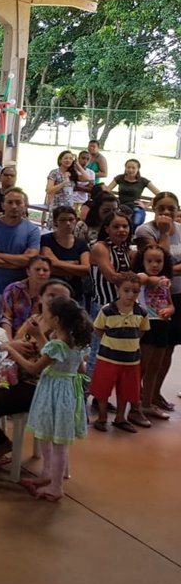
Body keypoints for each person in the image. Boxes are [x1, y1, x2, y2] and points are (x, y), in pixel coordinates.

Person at [0, 278, 73, 469]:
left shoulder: (64, 330)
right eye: (50, 295)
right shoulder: (36, 320)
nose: (55, 301)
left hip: (43, 386)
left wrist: (12, 348)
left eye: (61, 298)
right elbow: (16, 341)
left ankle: (1, 443)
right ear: (40, 298)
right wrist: (14, 345)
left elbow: (50, 361)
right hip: (20, 377)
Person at [2, 296, 92, 502]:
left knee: (57, 442)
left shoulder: (58, 345)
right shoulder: (74, 342)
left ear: (57, 320)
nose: (44, 318)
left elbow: (34, 367)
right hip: (67, 390)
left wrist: (10, 350)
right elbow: (77, 365)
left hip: (53, 391)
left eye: (47, 315)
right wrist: (40, 335)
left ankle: (56, 487)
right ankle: (48, 474)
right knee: (46, 435)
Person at [91, 273, 151, 433]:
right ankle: (102, 418)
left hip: (131, 360)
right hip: (107, 359)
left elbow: (142, 330)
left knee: (126, 390)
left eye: (135, 291)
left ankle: (120, 418)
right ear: (118, 289)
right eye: (126, 290)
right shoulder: (107, 310)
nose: (131, 295)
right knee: (103, 389)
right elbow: (98, 329)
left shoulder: (141, 312)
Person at [0, 188, 42, 326]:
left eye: (18, 202)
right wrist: (19, 261)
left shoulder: (33, 230)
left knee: (15, 331)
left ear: (25, 205)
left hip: (19, 291)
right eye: (10, 202)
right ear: (2, 205)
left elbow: (30, 259)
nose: (14, 206)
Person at [133, 244, 174, 422]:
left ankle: (147, 404)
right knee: (142, 366)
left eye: (159, 261)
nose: (154, 265)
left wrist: (170, 310)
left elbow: (170, 302)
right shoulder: (142, 277)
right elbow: (142, 279)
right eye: (150, 261)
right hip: (147, 324)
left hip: (162, 325)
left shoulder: (165, 280)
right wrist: (155, 279)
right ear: (142, 262)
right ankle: (134, 406)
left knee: (155, 366)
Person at [40, 205, 90, 302]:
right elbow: (49, 266)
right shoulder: (46, 240)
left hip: (75, 295)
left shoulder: (81, 244)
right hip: (51, 294)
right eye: (62, 220)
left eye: (71, 219)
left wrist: (58, 263)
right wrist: (74, 265)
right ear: (55, 222)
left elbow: (87, 270)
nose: (67, 223)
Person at [0, 254, 53, 341]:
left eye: (45, 270)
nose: (41, 273)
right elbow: (6, 319)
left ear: (50, 273)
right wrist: (10, 343)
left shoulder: (52, 294)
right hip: (12, 336)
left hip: (39, 339)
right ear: (28, 271)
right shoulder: (13, 289)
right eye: (37, 269)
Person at [106, 159, 158, 229]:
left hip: (135, 207)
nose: (130, 170)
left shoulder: (143, 181)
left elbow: (159, 194)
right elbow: (107, 190)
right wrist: (114, 200)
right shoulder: (119, 178)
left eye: (133, 168)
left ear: (138, 169)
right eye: (128, 167)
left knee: (135, 222)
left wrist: (146, 206)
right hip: (121, 206)